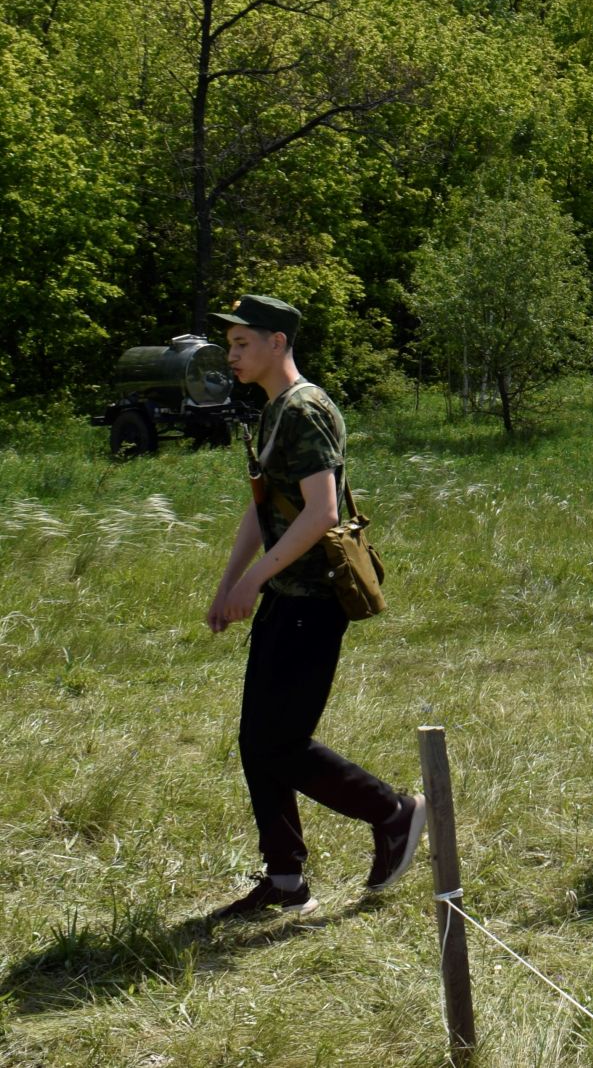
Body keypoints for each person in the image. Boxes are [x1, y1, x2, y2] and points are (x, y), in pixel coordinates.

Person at [204, 295, 423, 919]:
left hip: (314, 601)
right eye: (230, 345)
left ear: (278, 343)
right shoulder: (272, 412)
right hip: (284, 596)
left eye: (243, 343)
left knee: (282, 742)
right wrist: (232, 582)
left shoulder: (306, 409)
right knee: (257, 740)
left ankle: (394, 812)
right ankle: (284, 878)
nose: (232, 354)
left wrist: (253, 583)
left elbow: (323, 512)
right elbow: (263, 507)